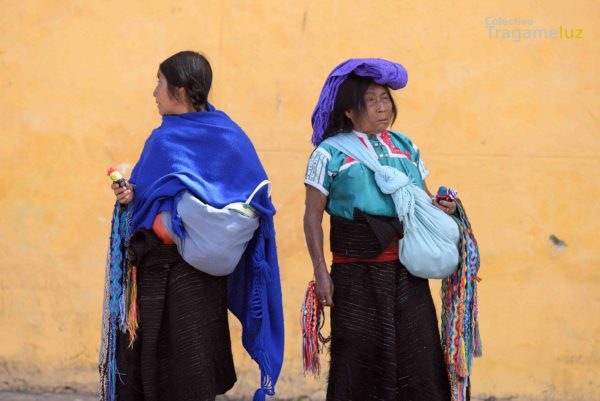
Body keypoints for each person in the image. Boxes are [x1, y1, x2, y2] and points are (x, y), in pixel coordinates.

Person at [99, 51, 284, 401]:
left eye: (160, 83)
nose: (154, 92)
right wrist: (131, 195)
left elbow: (252, 196)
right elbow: (153, 193)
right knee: (169, 367)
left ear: (181, 90)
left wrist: (192, 220)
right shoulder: (195, 136)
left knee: (183, 370)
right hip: (174, 277)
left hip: (186, 277)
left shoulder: (201, 137)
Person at [303, 58, 455, 401]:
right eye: (370, 101)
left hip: (407, 272)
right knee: (359, 363)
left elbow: (423, 201)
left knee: (418, 359)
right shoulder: (329, 154)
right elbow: (312, 217)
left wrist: (444, 207)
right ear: (349, 111)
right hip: (356, 276)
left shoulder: (406, 147)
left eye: (385, 98)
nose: (381, 107)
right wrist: (320, 273)